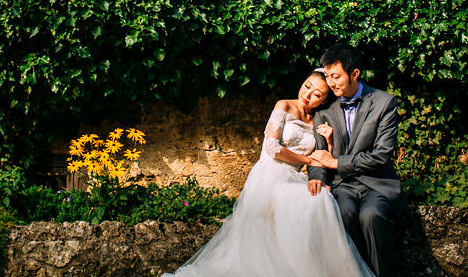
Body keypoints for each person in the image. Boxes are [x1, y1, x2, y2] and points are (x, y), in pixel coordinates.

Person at [163, 71, 374, 277]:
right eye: (307, 86)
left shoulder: (318, 120)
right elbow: (273, 147)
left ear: (324, 101)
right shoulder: (283, 105)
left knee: (321, 199)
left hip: (295, 178)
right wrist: (308, 160)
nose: (307, 94)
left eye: (317, 94)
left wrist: (328, 140)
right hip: (270, 175)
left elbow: (324, 159)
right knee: (305, 204)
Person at [308, 43, 405, 277]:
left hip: (377, 183)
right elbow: (320, 153)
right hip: (343, 186)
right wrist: (317, 178)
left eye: (336, 76)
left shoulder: (384, 103)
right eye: (328, 76)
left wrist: (337, 163)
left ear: (354, 74)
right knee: (344, 213)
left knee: (371, 215)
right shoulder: (325, 108)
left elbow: (382, 156)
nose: (330, 83)